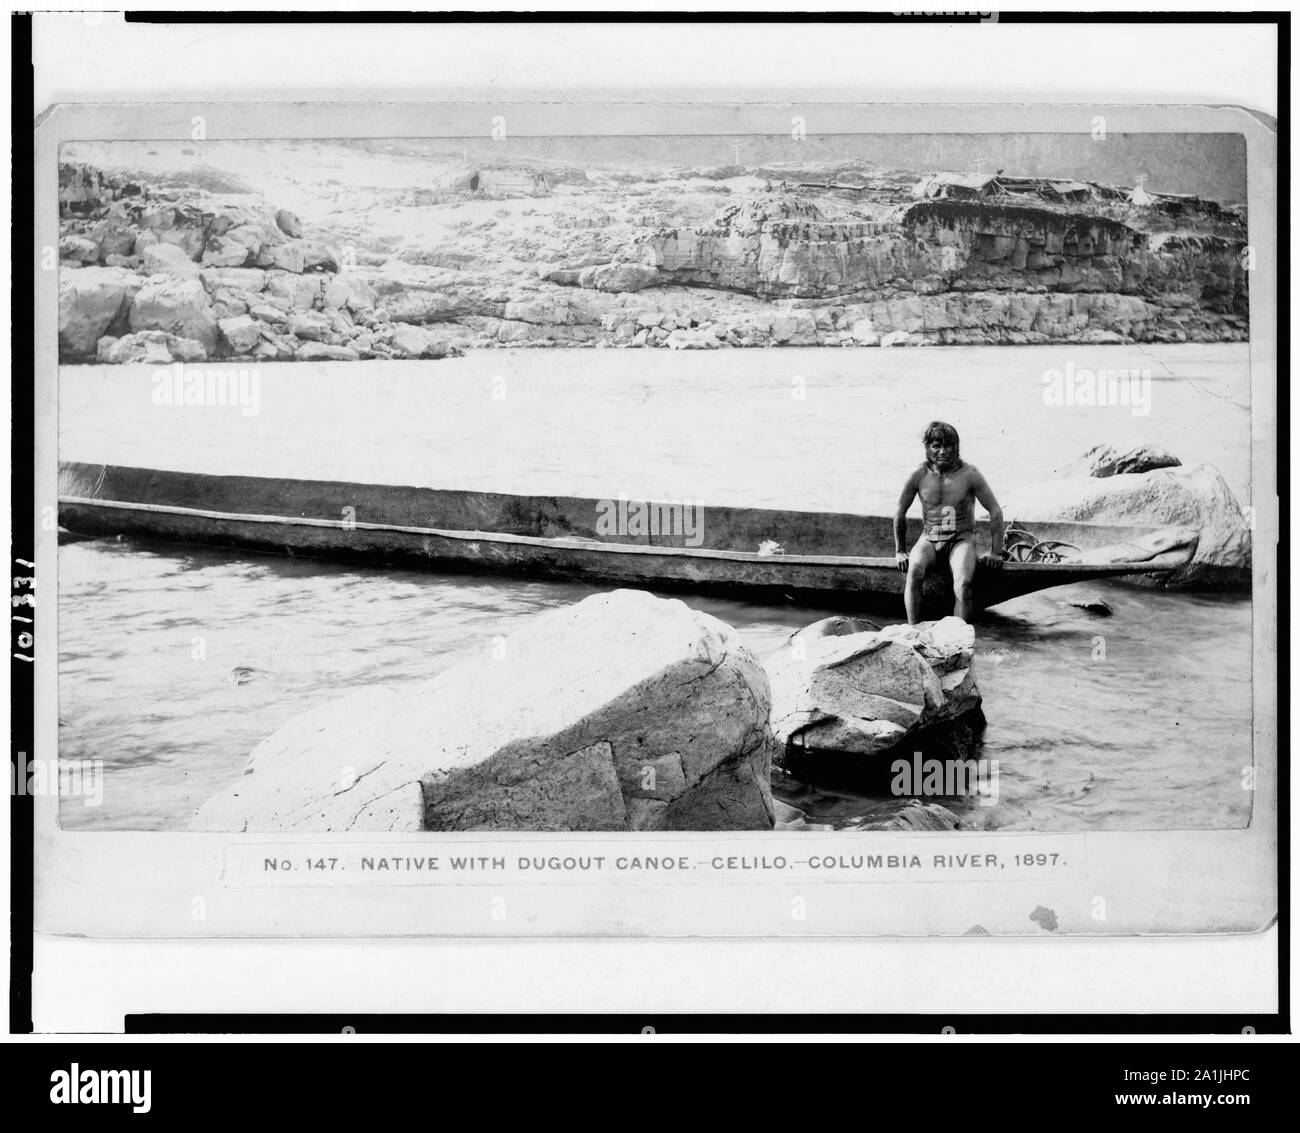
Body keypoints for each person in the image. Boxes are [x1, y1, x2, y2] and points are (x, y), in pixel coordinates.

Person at [893, 421, 1005, 625]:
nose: (942, 451)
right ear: (927, 448)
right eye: (936, 446)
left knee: (963, 584)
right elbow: (900, 510)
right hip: (929, 539)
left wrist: (996, 552)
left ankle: (958, 639)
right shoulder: (919, 475)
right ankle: (913, 633)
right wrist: (900, 550)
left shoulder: (969, 474)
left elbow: (995, 510)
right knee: (914, 571)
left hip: (961, 540)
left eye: (948, 446)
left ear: (956, 447)